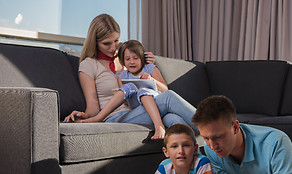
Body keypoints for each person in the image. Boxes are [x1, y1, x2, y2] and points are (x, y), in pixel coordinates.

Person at [64, 14, 197, 139]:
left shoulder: (125, 58)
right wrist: (85, 116)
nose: (113, 48)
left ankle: (201, 157)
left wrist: (146, 61)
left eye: (116, 41)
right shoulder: (88, 65)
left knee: (173, 120)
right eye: (106, 43)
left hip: (140, 109)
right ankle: (211, 125)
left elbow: (142, 79)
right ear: (95, 42)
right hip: (115, 117)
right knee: (168, 98)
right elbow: (93, 105)